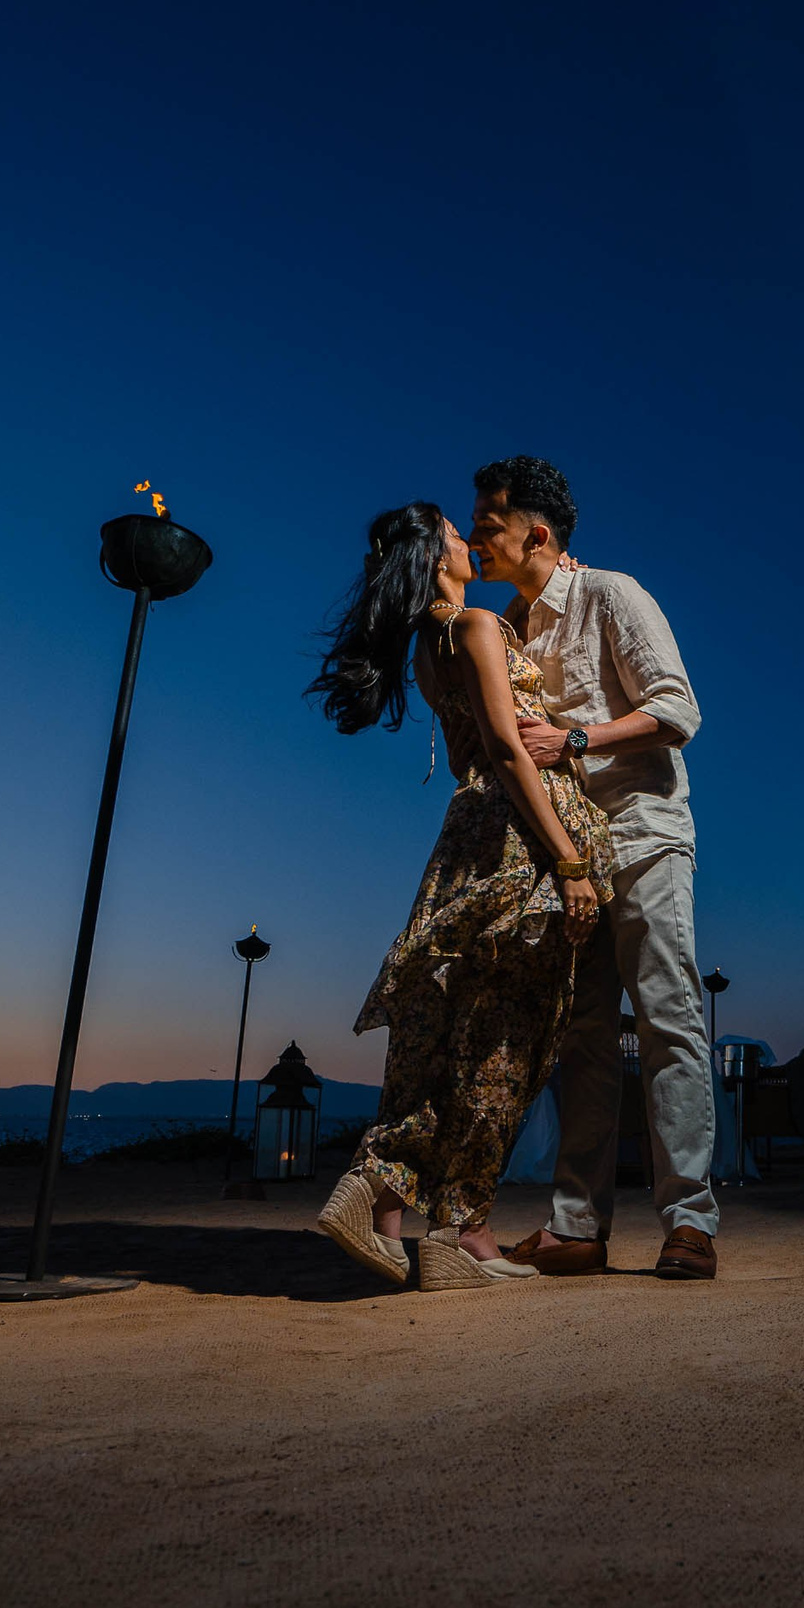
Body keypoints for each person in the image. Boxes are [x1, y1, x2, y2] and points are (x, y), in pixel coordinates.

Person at [306, 501, 613, 1291]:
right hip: (522, 836)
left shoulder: (429, 646)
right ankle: (449, 1223)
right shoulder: (474, 626)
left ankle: (408, 1212)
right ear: (432, 553)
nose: (469, 539)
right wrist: (570, 860)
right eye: (455, 531)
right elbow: (511, 753)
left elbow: (474, 749)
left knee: (448, 1027)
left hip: (470, 838)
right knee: (506, 1041)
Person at [466, 455, 720, 1282]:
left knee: (668, 1017)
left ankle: (689, 1222)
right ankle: (576, 1226)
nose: (477, 536)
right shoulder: (512, 620)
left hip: (644, 833)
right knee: (581, 1038)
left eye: (490, 524)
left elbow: (679, 708)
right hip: (571, 855)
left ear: (537, 532)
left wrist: (577, 738)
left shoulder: (612, 592)